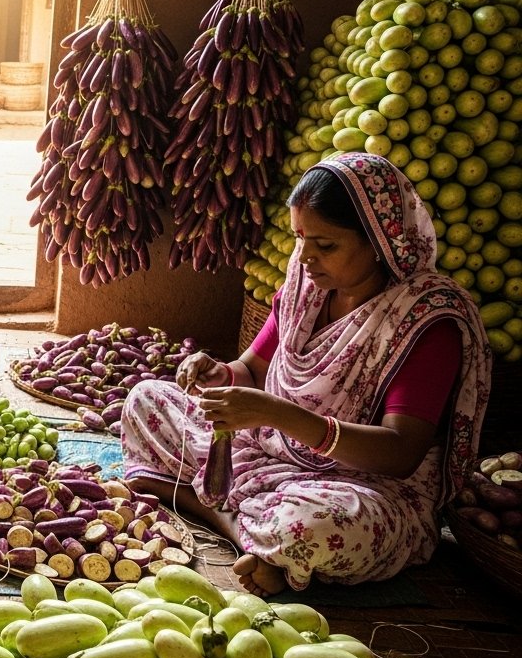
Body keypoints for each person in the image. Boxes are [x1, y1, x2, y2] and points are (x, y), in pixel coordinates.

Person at [120, 152, 491, 596]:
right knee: (145, 397)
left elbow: (400, 454)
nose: (306, 257)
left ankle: (212, 505)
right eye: (300, 239)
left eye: (326, 245)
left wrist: (278, 414)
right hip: (268, 450)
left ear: (378, 241)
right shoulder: (305, 287)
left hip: (361, 485)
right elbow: (252, 369)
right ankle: (235, 522)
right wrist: (218, 374)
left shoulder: (425, 322)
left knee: (314, 528)